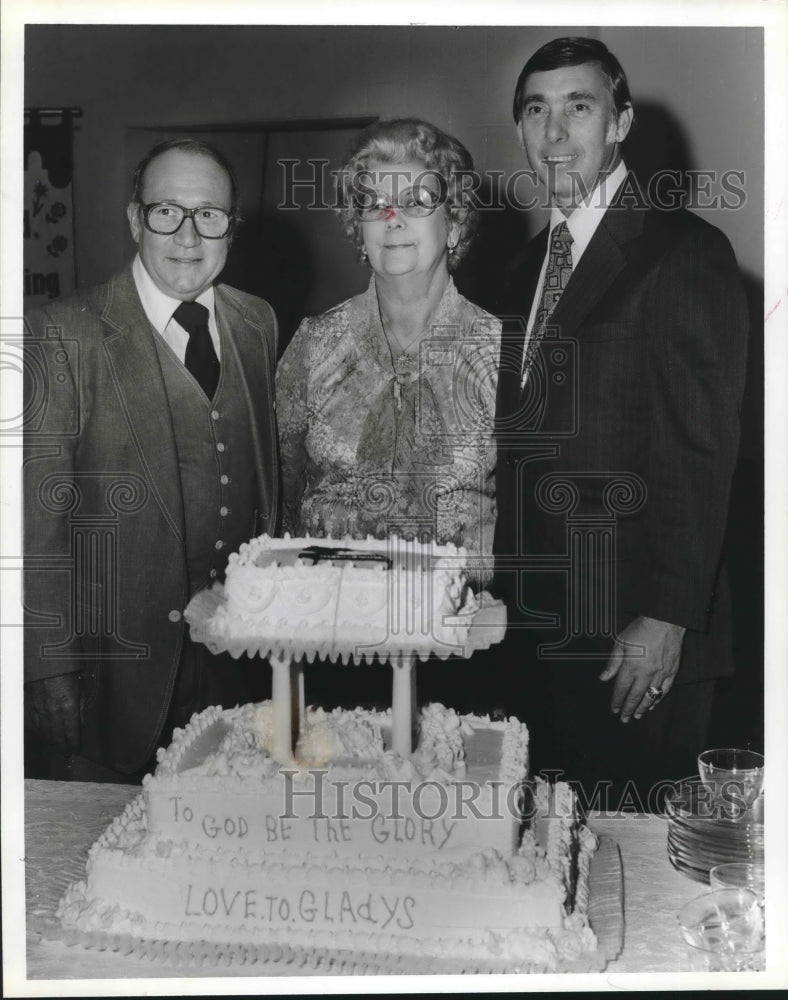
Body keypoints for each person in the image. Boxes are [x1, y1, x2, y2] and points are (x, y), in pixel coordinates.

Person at [493, 38, 748, 806]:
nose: (556, 130)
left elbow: (702, 454)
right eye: (536, 109)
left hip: (636, 641)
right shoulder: (523, 263)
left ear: (621, 122)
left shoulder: (685, 253)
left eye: (580, 106)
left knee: (636, 869)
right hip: (537, 631)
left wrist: (667, 618)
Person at [24, 138, 278, 782]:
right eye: (167, 211)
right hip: (117, 674)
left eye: (209, 215)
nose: (188, 236)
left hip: (241, 663)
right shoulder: (63, 332)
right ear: (135, 219)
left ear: (232, 227)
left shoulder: (259, 323)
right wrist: (50, 667)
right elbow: (34, 526)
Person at [276, 117, 501, 709]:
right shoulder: (311, 347)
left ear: (454, 222)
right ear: (358, 230)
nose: (392, 219)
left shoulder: (505, 354)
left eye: (418, 201)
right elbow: (278, 499)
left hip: (467, 662)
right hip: (328, 658)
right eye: (373, 205)